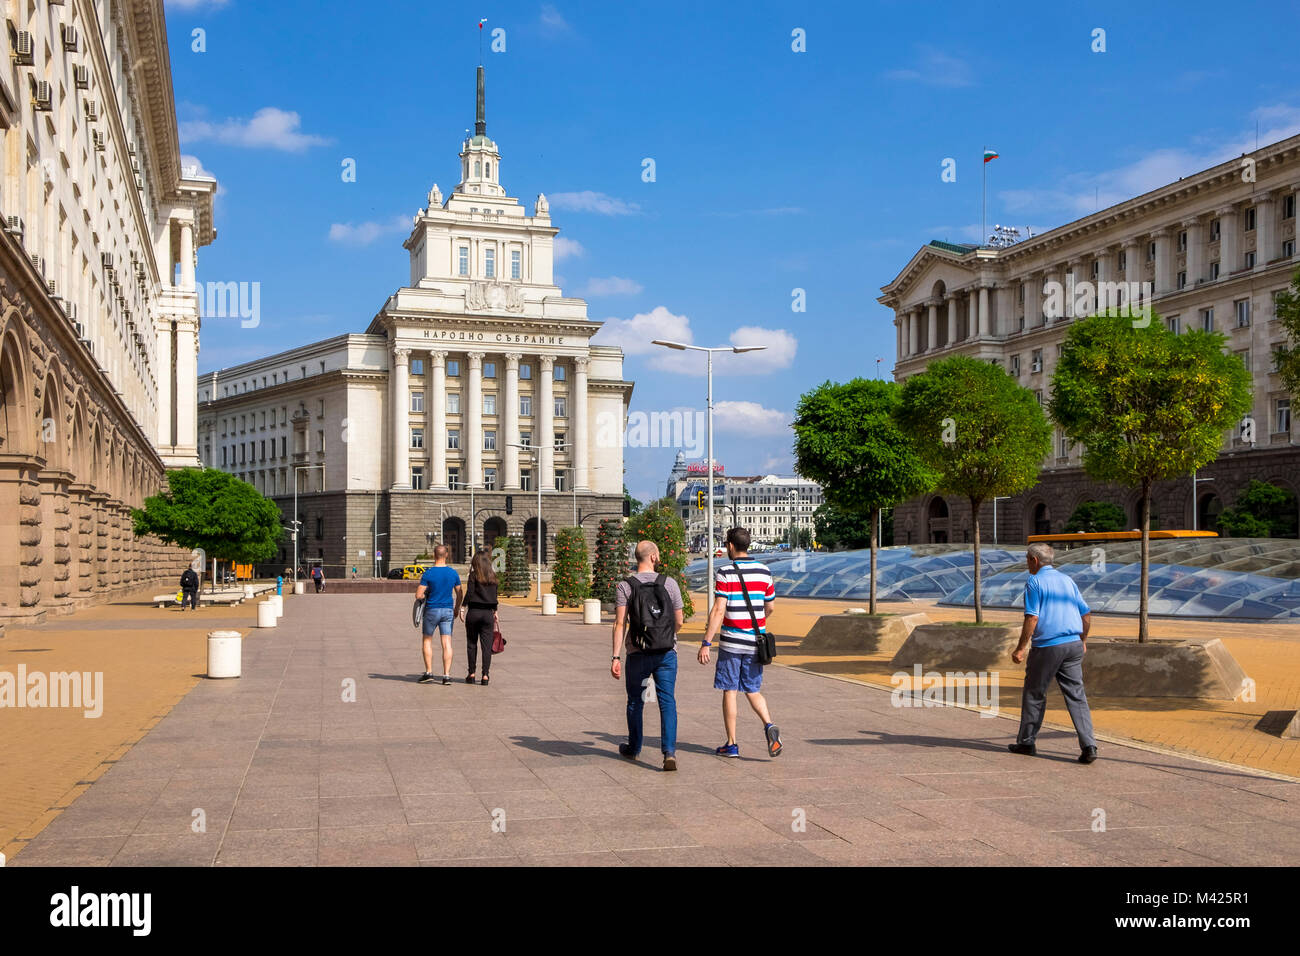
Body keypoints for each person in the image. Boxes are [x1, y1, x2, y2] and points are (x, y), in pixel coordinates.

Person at [1009, 542, 1098, 763]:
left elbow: (1032, 617)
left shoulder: (1035, 581)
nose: (1027, 563)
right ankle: (1089, 746)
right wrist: (1083, 640)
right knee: (1077, 696)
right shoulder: (1067, 580)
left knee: (1034, 693)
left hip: (1048, 646)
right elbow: (1086, 614)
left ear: (1034, 560)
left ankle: (1026, 743)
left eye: (1027, 559)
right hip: (1073, 645)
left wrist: (1021, 648)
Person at [699, 527, 782, 758]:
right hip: (756, 642)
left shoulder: (725, 571)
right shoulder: (765, 571)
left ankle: (732, 744)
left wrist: (706, 642)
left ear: (731, 546)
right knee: (753, 690)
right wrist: (757, 623)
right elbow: (770, 607)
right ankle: (768, 725)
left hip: (732, 643)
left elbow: (718, 609)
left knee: (730, 690)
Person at [611, 540, 683, 772]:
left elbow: (620, 623)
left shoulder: (625, 586)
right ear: (653, 557)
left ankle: (634, 748)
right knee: (667, 701)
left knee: (635, 701)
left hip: (637, 652)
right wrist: (664, 635)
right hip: (666, 652)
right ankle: (669, 752)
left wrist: (615, 657)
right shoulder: (669, 583)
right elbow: (679, 621)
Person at [416, 545, 462, 685]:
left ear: (434, 555)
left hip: (432, 610)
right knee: (447, 643)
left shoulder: (428, 573)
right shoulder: (453, 573)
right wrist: (457, 609)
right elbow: (460, 594)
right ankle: (446, 675)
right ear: (446, 555)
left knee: (427, 641)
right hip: (448, 610)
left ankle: (429, 672)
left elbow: (418, 595)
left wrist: (427, 594)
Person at [460, 548, 500, 685]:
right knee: (486, 646)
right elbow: (495, 595)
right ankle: (485, 675)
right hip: (488, 613)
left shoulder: (473, 575)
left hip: (474, 612)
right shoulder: (493, 576)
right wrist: (495, 610)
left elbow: (470, 592)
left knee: (471, 644)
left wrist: (463, 607)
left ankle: (471, 673)